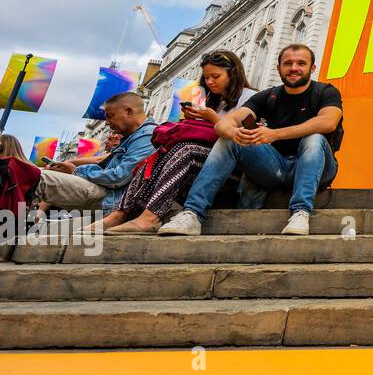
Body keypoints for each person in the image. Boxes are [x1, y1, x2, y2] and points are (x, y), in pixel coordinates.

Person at [159, 44, 344, 237]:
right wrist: (234, 133)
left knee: (314, 138)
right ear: (279, 68)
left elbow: (328, 122)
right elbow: (225, 124)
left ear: (312, 68)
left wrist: (274, 134)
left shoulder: (326, 92)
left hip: (319, 167)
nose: (294, 68)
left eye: (301, 63)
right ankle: (192, 213)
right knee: (228, 139)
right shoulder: (267, 96)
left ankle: (301, 211)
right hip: (276, 167)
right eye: (288, 63)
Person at [98, 50, 256, 234]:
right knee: (157, 155)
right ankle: (120, 213)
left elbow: (246, 137)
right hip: (204, 158)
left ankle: (150, 217)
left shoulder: (249, 98)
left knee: (185, 151)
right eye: (206, 78)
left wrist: (212, 118)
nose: (210, 82)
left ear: (233, 72)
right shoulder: (212, 101)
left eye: (216, 76)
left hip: (231, 163)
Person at [29, 92, 158, 224]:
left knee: (38, 178)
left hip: (111, 198)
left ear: (129, 112)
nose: (107, 123)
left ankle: (16, 224)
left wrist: (75, 171)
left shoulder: (146, 135)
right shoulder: (132, 136)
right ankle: (22, 219)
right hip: (105, 193)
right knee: (34, 175)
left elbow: (119, 177)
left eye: (110, 116)